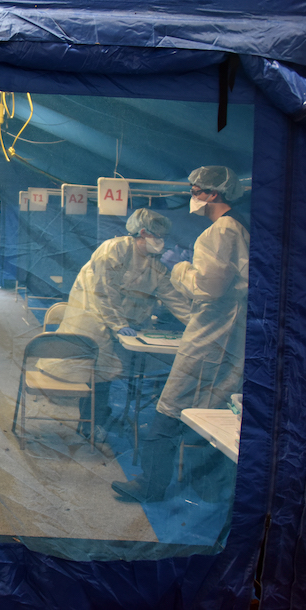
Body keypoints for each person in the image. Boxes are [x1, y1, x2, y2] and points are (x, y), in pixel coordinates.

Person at [113, 165, 249, 503]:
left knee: (168, 411)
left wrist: (180, 267)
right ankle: (201, 487)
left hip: (211, 339)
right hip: (225, 336)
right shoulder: (237, 230)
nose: (192, 196)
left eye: (194, 190)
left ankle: (152, 486)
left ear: (212, 194)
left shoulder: (220, 231)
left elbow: (207, 288)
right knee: (204, 416)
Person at [37, 208, 191, 438]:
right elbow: (102, 291)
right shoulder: (114, 249)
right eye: (157, 236)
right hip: (91, 317)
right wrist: (118, 323)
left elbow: (173, 297)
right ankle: (90, 424)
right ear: (142, 232)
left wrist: (196, 324)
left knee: (107, 373)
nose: (161, 242)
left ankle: (100, 420)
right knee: (94, 372)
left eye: (163, 237)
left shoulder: (154, 265)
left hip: (120, 325)